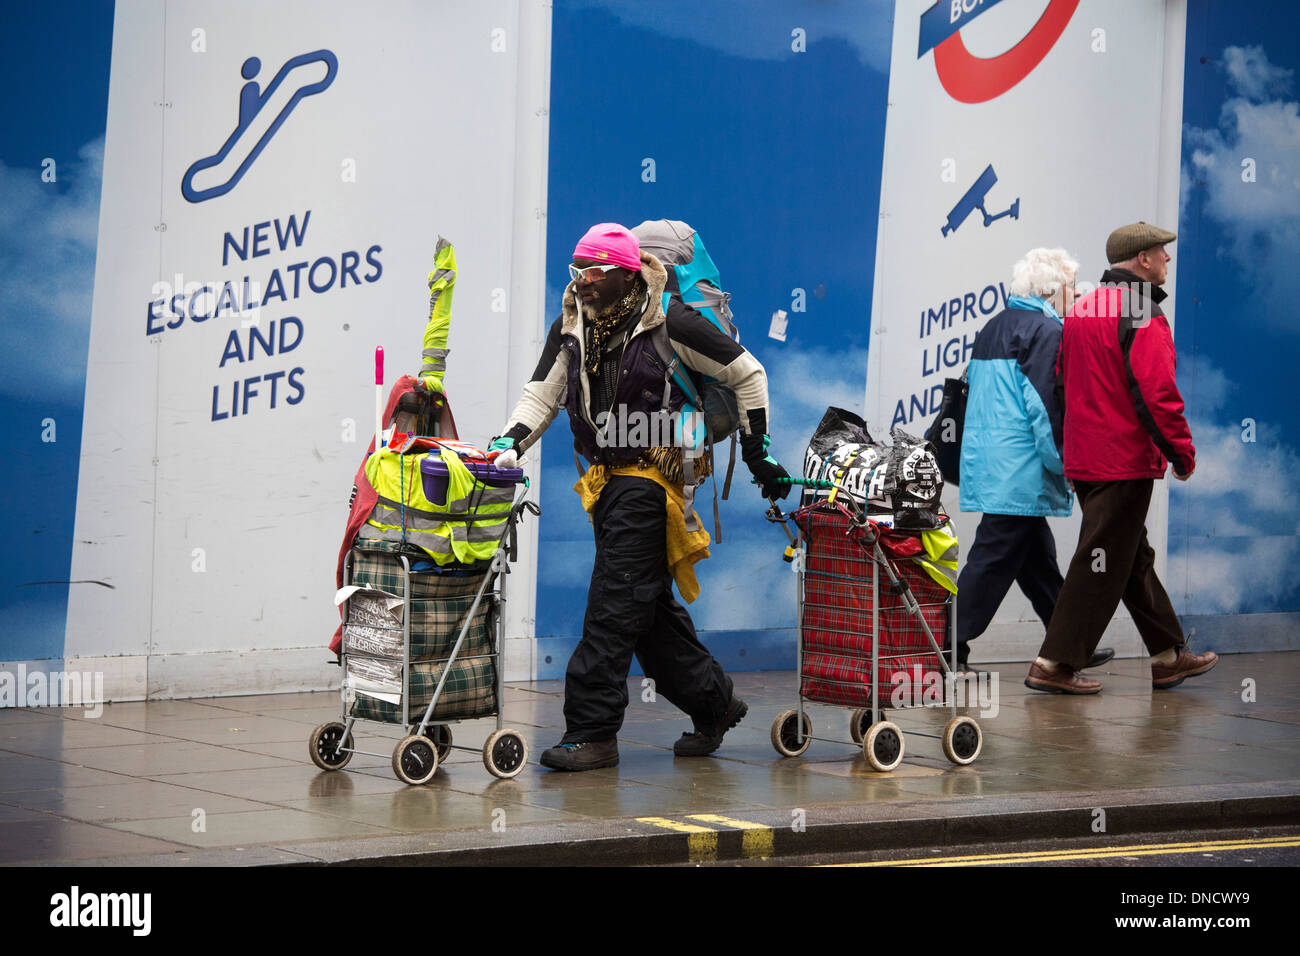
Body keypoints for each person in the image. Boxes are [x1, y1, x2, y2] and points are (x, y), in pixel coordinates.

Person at [490, 223, 791, 770]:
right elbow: (544, 392)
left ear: (627, 274)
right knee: (644, 609)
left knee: (612, 605)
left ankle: (593, 731)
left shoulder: (672, 321)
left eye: (594, 271)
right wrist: (509, 441)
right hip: (607, 479)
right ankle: (714, 704)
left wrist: (757, 452)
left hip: (656, 477)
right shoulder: (572, 326)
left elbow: (749, 373)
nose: (582, 282)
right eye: (576, 270)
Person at [1025, 222, 1217, 694]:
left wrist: (1071, 450)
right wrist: (1182, 452)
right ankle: (1052, 663)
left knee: (1131, 556)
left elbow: (1059, 388)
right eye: (1162, 253)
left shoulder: (1083, 310)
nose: (1168, 261)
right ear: (1143, 259)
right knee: (1101, 558)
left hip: (1088, 460)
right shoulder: (1142, 312)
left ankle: (1168, 656)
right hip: (1123, 461)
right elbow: (1157, 393)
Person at [955, 248, 1113, 674]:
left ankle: (1068, 644)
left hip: (995, 466)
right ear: (1050, 289)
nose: (1077, 294)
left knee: (1038, 564)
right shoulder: (1046, 331)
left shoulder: (994, 327)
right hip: (1020, 471)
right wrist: (1069, 465)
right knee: (989, 565)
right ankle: (945, 647)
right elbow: (1046, 409)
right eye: (1071, 287)